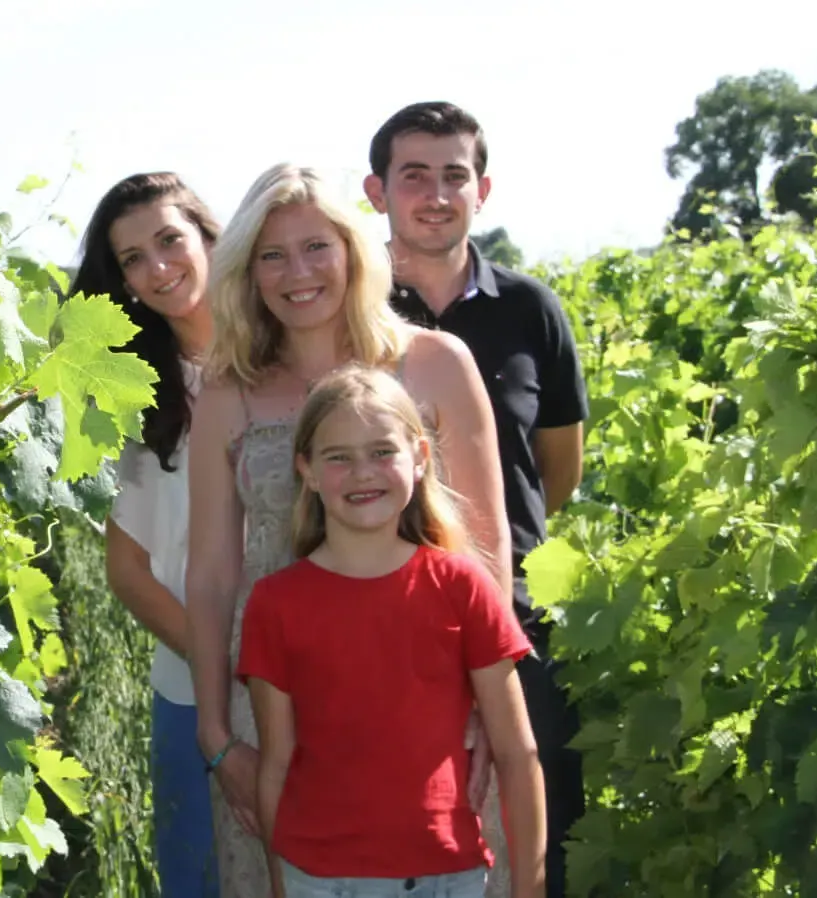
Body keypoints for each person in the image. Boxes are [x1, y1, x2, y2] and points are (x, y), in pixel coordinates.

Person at [185, 163, 511, 896]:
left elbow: (487, 551)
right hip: (276, 717)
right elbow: (209, 575)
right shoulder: (228, 393)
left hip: (428, 708)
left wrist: (490, 712)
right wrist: (215, 737)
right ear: (247, 272)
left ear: (353, 252)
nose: (296, 273)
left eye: (315, 248)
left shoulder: (435, 364)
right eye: (271, 255)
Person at [365, 101, 589, 898]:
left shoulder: (531, 309)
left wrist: (496, 558)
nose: (435, 193)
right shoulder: (353, 317)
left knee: (534, 846)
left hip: (515, 621)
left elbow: (555, 469)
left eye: (454, 175)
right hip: (385, 625)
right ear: (376, 190)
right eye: (414, 175)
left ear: (482, 190)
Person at [237, 365, 546, 898]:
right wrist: (278, 881)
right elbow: (276, 765)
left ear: (420, 458)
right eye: (339, 457)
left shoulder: (462, 586)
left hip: (445, 876)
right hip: (318, 879)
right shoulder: (276, 603)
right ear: (306, 470)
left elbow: (518, 756)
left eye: (382, 451)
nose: (363, 473)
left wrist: (531, 888)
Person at [68, 171, 222, 897]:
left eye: (170, 240)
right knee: (200, 876)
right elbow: (129, 570)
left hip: (326, 679)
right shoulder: (134, 397)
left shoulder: (297, 365)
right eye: (132, 259)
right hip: (194, 687)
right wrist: (224, 665)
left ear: (209, 238)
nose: (158, 267)